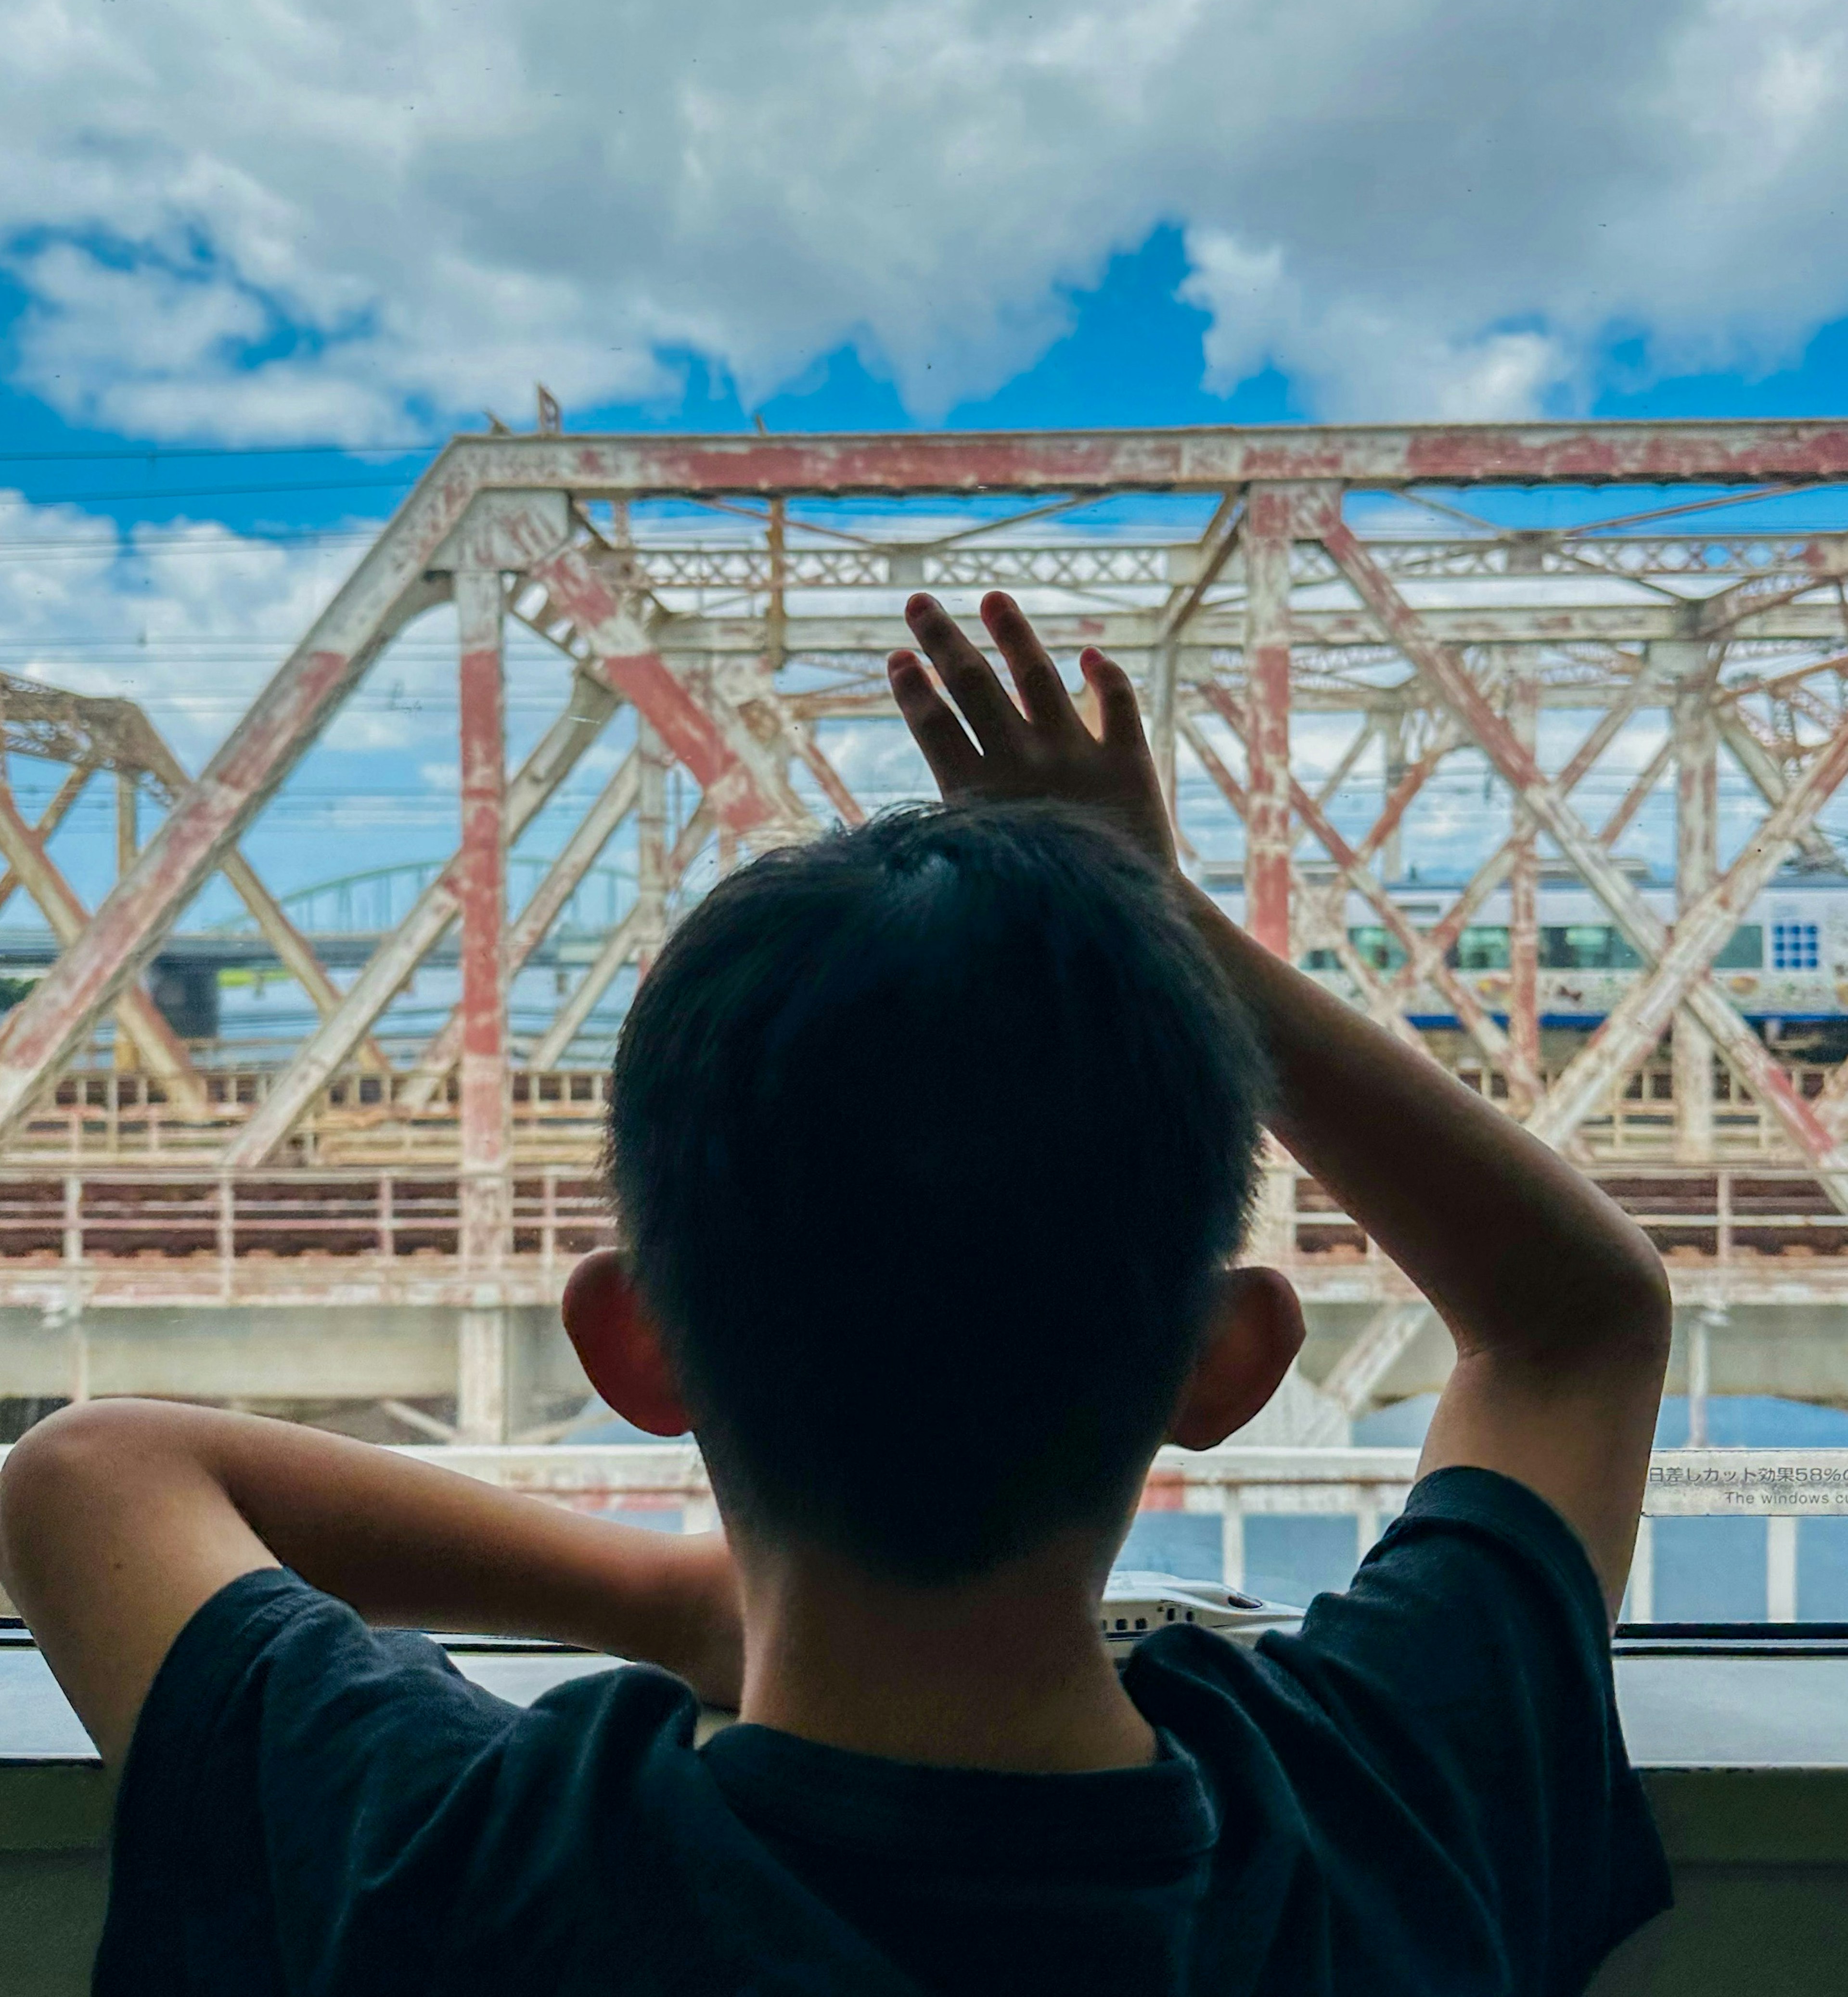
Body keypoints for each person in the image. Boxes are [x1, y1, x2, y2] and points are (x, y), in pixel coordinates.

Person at [0, 589, 1672, 1996]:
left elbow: (92, 1472)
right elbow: (1575, 1313)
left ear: (632, 1343)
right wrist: (1162, 919)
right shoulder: (1392, 1811)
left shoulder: (447, 1867)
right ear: (1225, 1362)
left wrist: (681, 1606)